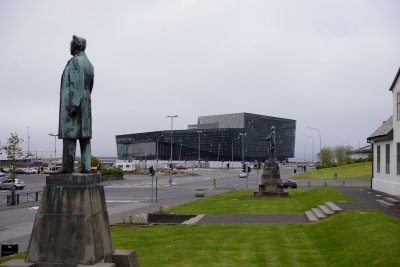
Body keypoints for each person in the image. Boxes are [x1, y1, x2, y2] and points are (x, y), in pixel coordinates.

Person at [58, 35, 94, 173]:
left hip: (74, 104)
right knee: (85, 138)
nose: (70, 47)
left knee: (70, 136)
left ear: (76, 46)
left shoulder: (76, 61)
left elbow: (77, 83)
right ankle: (86, 168)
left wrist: (74, 104)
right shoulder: (89, 64)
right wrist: (84, 100)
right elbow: (90, 86)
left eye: (71, 44)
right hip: (86, 103)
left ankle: (67, 168)